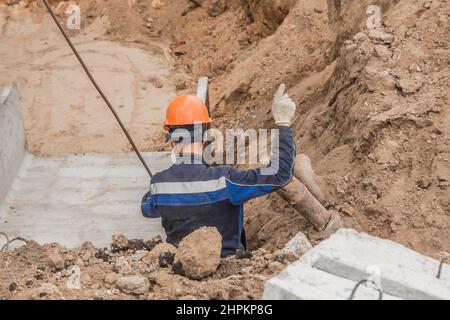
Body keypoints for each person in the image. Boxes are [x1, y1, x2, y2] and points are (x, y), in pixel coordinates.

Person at [141, 84, 296, 257]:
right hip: (226, 269)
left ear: (172, 142)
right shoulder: (225, 180)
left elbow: (147, 209)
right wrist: (283, 123)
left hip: (180, 270)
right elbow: (280, 174)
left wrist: (169, 181)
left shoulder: (159, 184)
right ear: (207, 137)